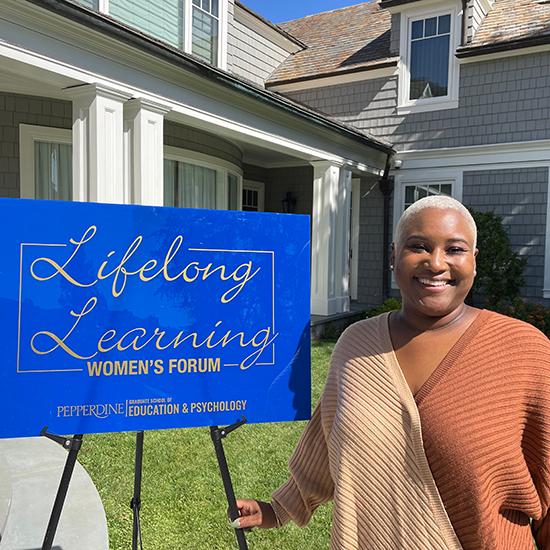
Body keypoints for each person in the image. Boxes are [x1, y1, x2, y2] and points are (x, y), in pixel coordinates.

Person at [234, 195, 550, 549]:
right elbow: (327, 441)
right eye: (419, 246)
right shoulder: (357, 344)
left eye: (455, 249)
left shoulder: (525, 351)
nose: (436, 263)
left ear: (474, 262)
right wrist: (279, 508)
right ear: (393, 256)